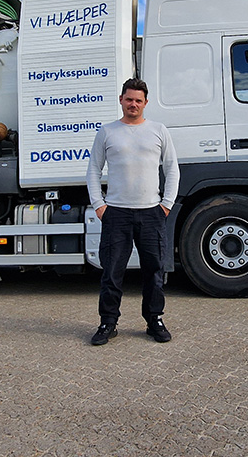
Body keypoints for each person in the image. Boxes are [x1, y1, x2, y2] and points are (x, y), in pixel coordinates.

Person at [86, 78, 179, 345]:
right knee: (112, 271)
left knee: (154, 271)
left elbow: (171, 168)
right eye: (129, 99)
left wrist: (167, 204)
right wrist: (99, 205)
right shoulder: (107, 132)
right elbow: (93, 169)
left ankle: (154, 321)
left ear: (145, 103)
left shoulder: (158, 130)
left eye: (138, 100)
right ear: (121, 100)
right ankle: (108, 323)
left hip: (151, 212)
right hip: (116, 213)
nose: (133, 104)